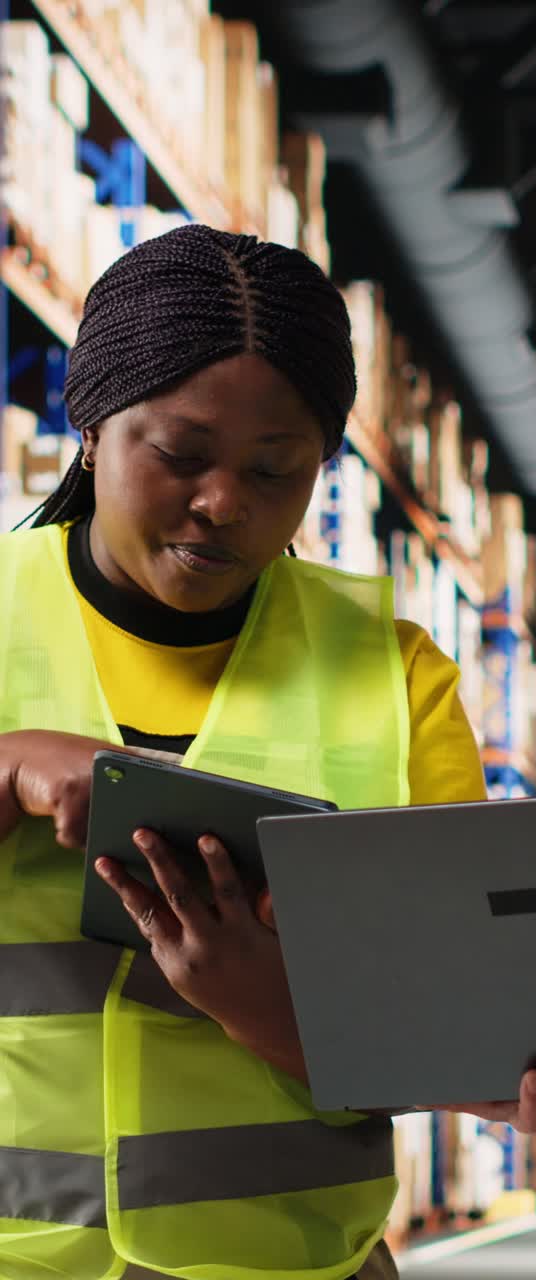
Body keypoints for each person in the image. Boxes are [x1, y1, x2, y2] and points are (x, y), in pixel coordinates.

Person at [0, 223, 489, 1280]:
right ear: (90, 427)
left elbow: (467, 1027)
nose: (223, 502)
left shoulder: (397, 676)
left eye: (277, 469)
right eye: (177, 455)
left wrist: (275, 1010)